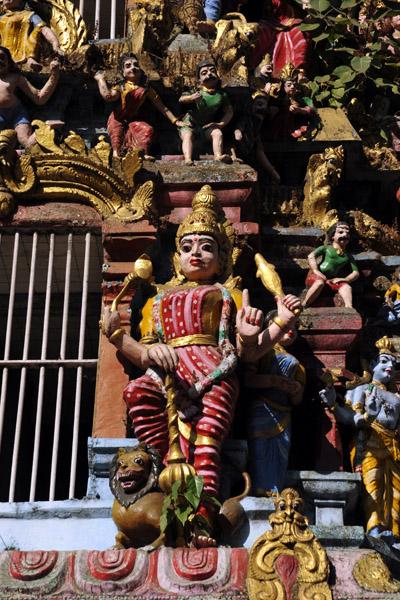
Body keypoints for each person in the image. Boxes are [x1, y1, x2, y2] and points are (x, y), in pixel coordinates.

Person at [102, 184, 301, 545]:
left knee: (207, 445)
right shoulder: (160, 299)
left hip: (215, 368)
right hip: (169, 371)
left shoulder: (226, 294)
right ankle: (164, 482)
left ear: (222, 259)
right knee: (136, 391)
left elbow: (247, 353)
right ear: (176, 258)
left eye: (207, 247)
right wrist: (121, 339)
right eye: (187, 246)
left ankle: (204, 518)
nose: (196, 253)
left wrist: (276, 324)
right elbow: (143, 348)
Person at [320, 336, 400, 540]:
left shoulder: (396, 397)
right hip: (370, 439)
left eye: (392, 362)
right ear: (372, 365)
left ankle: (395, 532)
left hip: (394, 446)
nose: (389, 366)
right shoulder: (362, 389)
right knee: (372, 484)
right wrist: (336, 406)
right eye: (383, 361)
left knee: (395, 490)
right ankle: (375, 528)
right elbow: (349, 418)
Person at [244, 310, 305, 496]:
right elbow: (247, 379)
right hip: (262, 408)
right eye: (286, 327)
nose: (291, 331)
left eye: (295, 328)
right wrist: (272, 381)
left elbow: (298, 400)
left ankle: (275, 491)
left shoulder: (298, 365)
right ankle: (259, 491)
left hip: (284, 414)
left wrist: (294, 390)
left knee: (280, 455)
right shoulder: (261, 352)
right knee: (260, 450)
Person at [95, 52, 186, 159]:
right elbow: (108, 97)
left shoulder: (146, 89)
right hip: (118, 118)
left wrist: (176, 121)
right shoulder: (121, 87)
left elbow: (162, 107)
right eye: (128, 66)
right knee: (117, 134)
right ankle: (116, 154)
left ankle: (142, 153)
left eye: (136, 65)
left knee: (147, 130)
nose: (133, 68)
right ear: (123, 73)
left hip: (134, 120)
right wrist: (100, 79)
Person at [0, 45, 60, 148]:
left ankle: (46, 127)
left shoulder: (16, 78)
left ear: (9, 62)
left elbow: (39, 97)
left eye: (2, 57)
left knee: (27, 143)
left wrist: (54, 76)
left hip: (17, 114)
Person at [179, 60, 233, 165]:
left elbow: (229, 112)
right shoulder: (195, 92)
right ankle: (188, 158)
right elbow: (181, 99)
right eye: (204, 73)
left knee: (217, 133)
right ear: (199, 80)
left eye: (212, 71)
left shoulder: (221, 95)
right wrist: (191, 98)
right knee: (187, 134)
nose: (209, 74)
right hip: (191, 124)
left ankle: (218, 156)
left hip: (206, 127)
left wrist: (220, 124)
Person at [303, 221, 359, 308]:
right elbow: (311, 256)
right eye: (340, 232)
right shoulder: (326, 248)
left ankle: (349, 308)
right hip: (316, 276)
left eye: (347, 233)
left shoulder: (348, 256)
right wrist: (316, 271)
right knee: (319, 283)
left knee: (347, 287)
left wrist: (346, 279)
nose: (345, 234)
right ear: (333, 236)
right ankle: (305, 304)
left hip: (331, 280)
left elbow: (356, 272)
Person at [230, 91, 280, 183]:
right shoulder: (246, 119)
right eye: (259, 104)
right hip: (236, 149)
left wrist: (272, 171)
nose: (263, 108)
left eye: (264, 106)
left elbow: (259, 151)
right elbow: (238, 127)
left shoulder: (257, 130)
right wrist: (237, 132)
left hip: (247, 154)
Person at [0, 0, 64, 71]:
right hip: (5, 52)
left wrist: (55, 44)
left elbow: (44, 30)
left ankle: (31, 59)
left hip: (26, 49)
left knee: (38, 29)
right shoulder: (2, 18)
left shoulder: (29, 15)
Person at [264, 73, 315, 142]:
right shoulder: (277, 100)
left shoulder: (299, 100)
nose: (292, 87)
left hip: (294, 127)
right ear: (283, 87)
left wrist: (299, 110)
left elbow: (311, 111)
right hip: (278, 128)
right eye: (289, 85)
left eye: (294, 85)